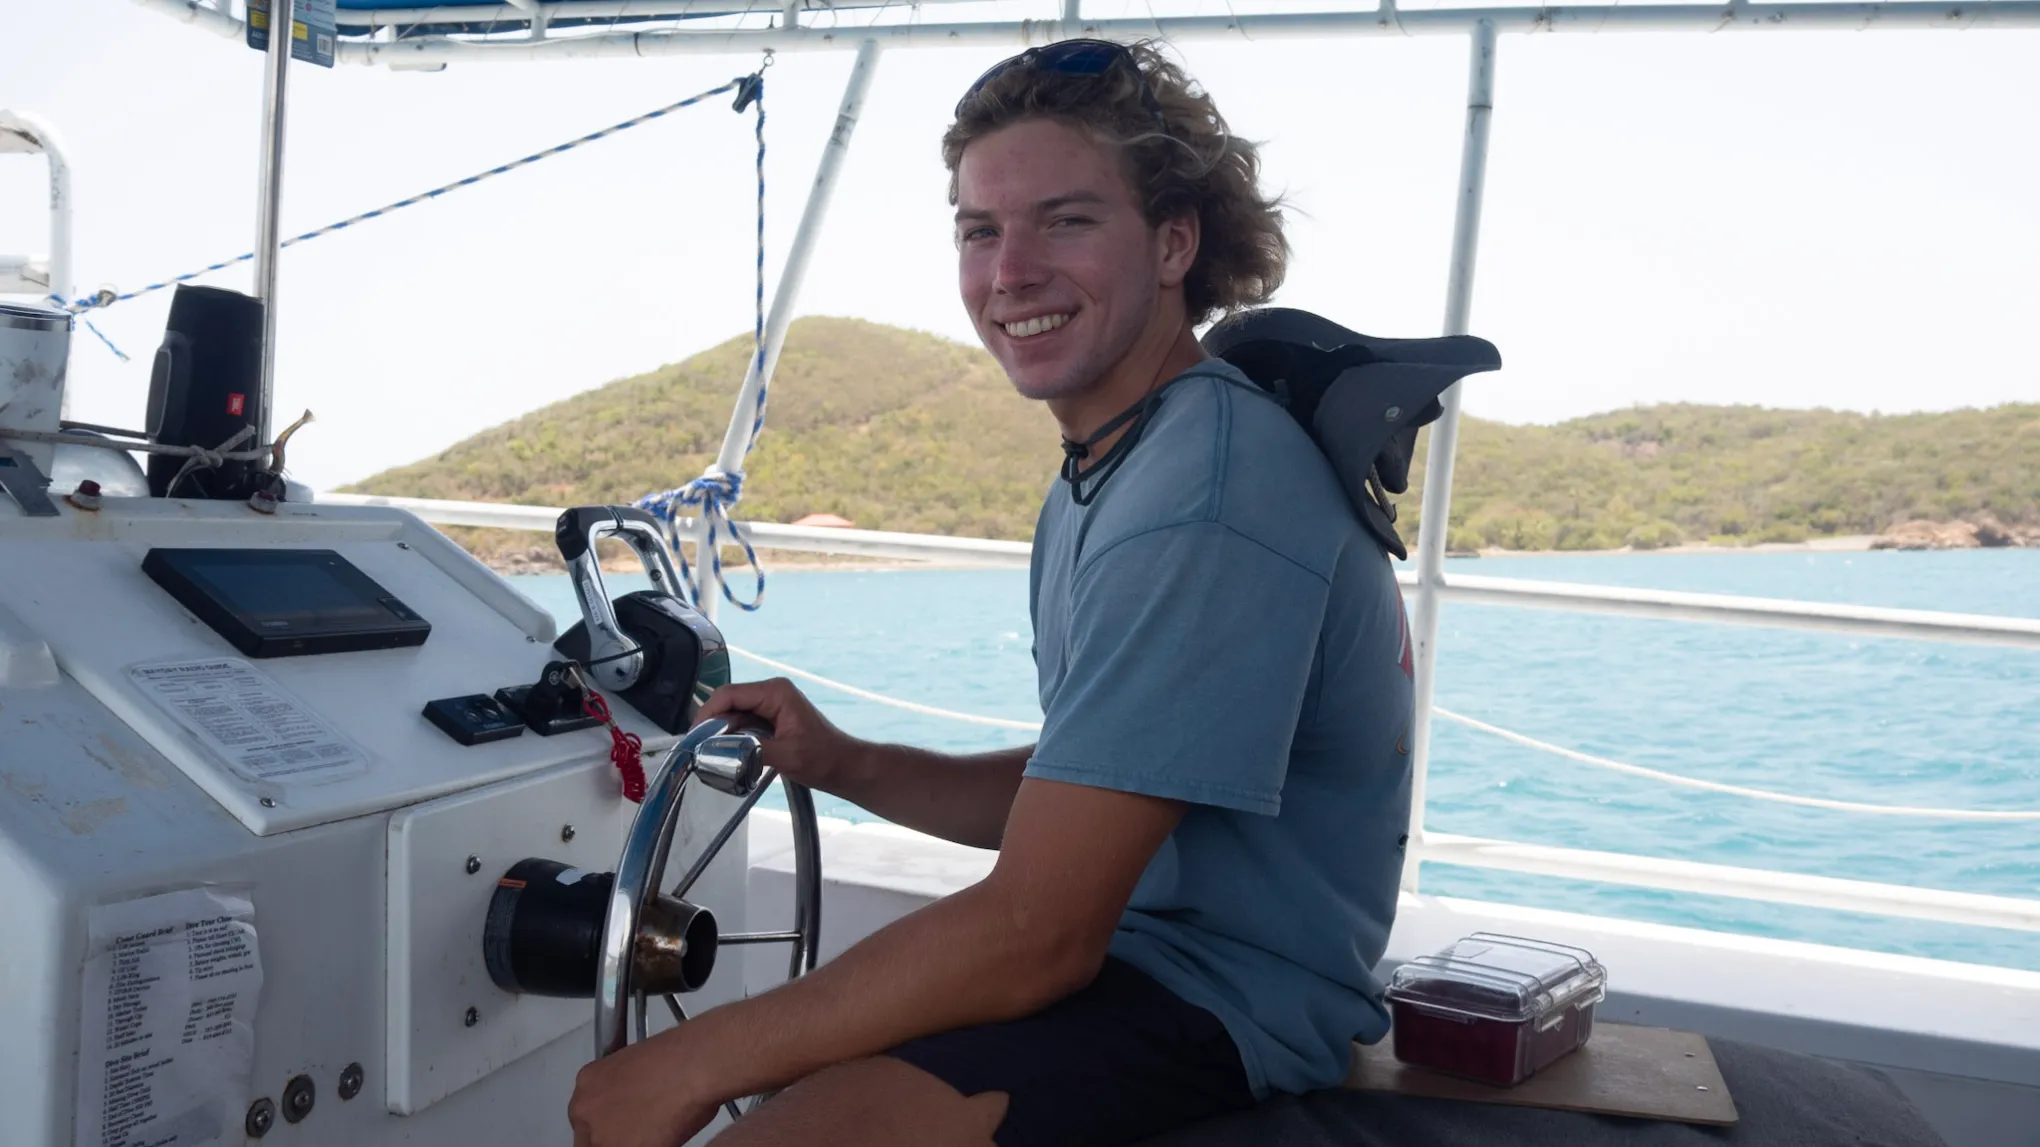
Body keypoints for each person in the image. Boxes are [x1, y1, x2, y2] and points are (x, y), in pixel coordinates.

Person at [567, 37, 1415, 1147]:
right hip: (1140, 954)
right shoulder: (1122, 460)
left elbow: (1038, 932)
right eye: (979, 229)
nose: (1009, 269)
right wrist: (852, 763)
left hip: (1224, 998)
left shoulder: (1203, 495)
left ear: (1173, 242)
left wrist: (685, 1061)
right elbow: (1101, 785)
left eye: (1065, 220)